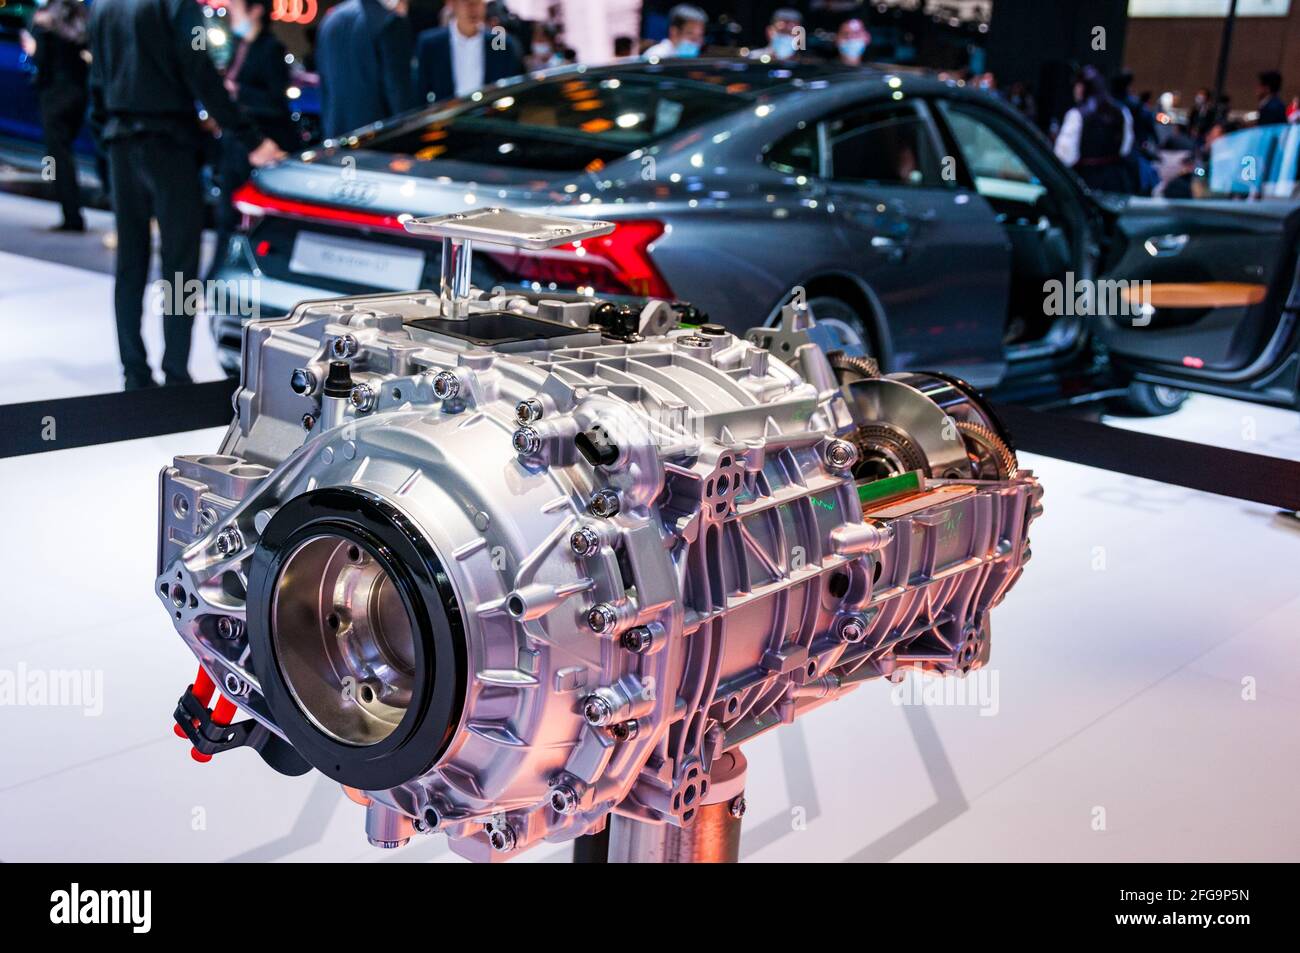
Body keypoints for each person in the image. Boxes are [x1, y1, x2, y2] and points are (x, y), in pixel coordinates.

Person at [88, 0, 284, 390]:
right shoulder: (175, 4)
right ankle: (176, 374)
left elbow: (96, 80)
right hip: (169, 144)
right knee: (179, 265)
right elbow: (198, 70)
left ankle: (134, 373)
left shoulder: (103, 6)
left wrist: (105, 145)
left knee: (131, 261)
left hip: (120, 143)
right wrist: (250, 138)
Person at [211, 0, 297, 275]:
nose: (231, 12)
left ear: (256, 10)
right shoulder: (236, 46)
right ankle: (217, 275)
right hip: (236, 142)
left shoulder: (270, 49)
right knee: (226, 214)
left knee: (251, 217)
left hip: (261, 142)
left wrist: (236, 93)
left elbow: (276, 101)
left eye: (236, 6)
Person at [23, 0, 89, 232]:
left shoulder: (45, 21)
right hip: (78, 93)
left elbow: (40, 59)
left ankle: (72, 216)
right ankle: (73, 212)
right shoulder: (80, 17)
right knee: (66, 155)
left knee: (59, 156)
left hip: (54, 95)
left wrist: (33, 48)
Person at [316, 0, 415, 138]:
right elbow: (398, 92)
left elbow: (325, 85)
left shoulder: (330, 20)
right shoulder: (390, 21)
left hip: (337, 137)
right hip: (379, 139)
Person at [415, 0, 524, 103]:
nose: (473, 8)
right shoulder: (431, 44)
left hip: (489, 118)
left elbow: (511, 88)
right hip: (447, 119)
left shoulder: (500, 42)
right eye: (466, 2)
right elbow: (421, 92)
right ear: (452, 4)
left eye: (477, 2)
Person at [1054, 65, 1133, 194]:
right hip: (1115, 181)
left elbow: (1065, 157)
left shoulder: (1076, 115)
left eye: (1077, 85)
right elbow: (1125, 150)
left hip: (1086, 181)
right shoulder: (1123, 112)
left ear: (1082, 87)